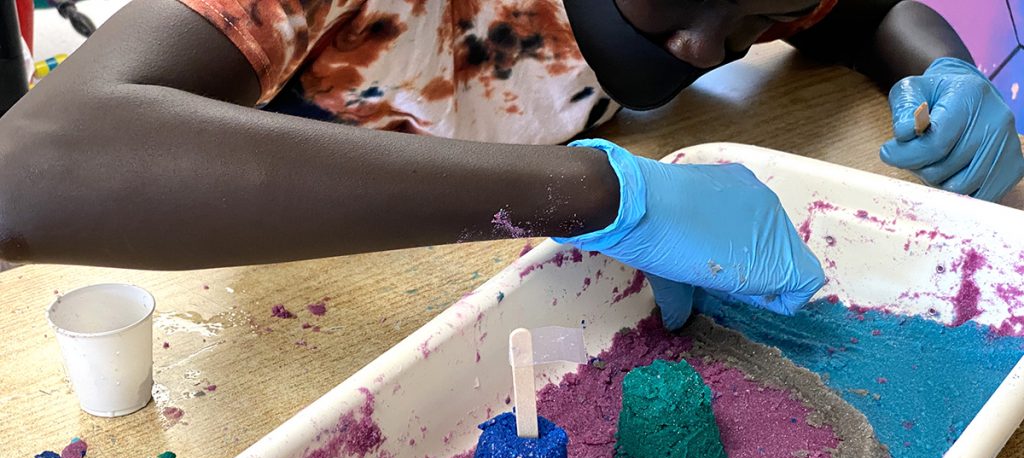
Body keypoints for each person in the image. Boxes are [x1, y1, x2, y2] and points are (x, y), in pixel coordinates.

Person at [0, 0, 1021, 328]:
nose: (713, 49)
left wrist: (941, 70)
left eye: (751, 20)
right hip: (299, 316)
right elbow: (33, 168)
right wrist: (593, 194)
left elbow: (864, 9)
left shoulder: (727, 15)